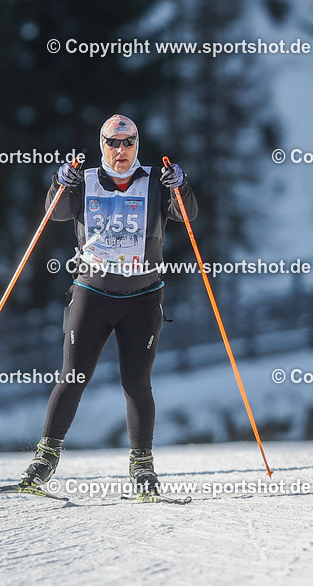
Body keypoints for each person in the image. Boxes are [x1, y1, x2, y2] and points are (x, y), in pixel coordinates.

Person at [19, 114, 196, 495]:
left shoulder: (156, 181)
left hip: (142, 298)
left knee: (136, 383)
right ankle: (45, 458)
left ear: (137, 144)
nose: (121, 150)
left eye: (128, 142)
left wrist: (181, 185)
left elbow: (187, 214)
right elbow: (56, 212)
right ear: (102, 145)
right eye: (113, 143)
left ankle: (142, 465)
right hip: (92, 294)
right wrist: (59, 182)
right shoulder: (84, 181)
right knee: (73, 377)